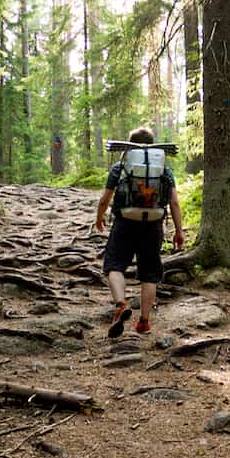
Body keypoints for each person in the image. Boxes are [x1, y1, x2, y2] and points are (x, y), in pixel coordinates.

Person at [95, 127, 185, 337]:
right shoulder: (164, 170)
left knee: (114, 264)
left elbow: (105, 198)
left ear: (130, 145)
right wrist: (179, 231)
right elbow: (174, 203)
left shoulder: (121, 167)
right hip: (153, 225)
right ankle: (144, 321)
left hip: (125, 222)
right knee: (150, 273)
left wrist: (99, 217)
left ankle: (120, 304)